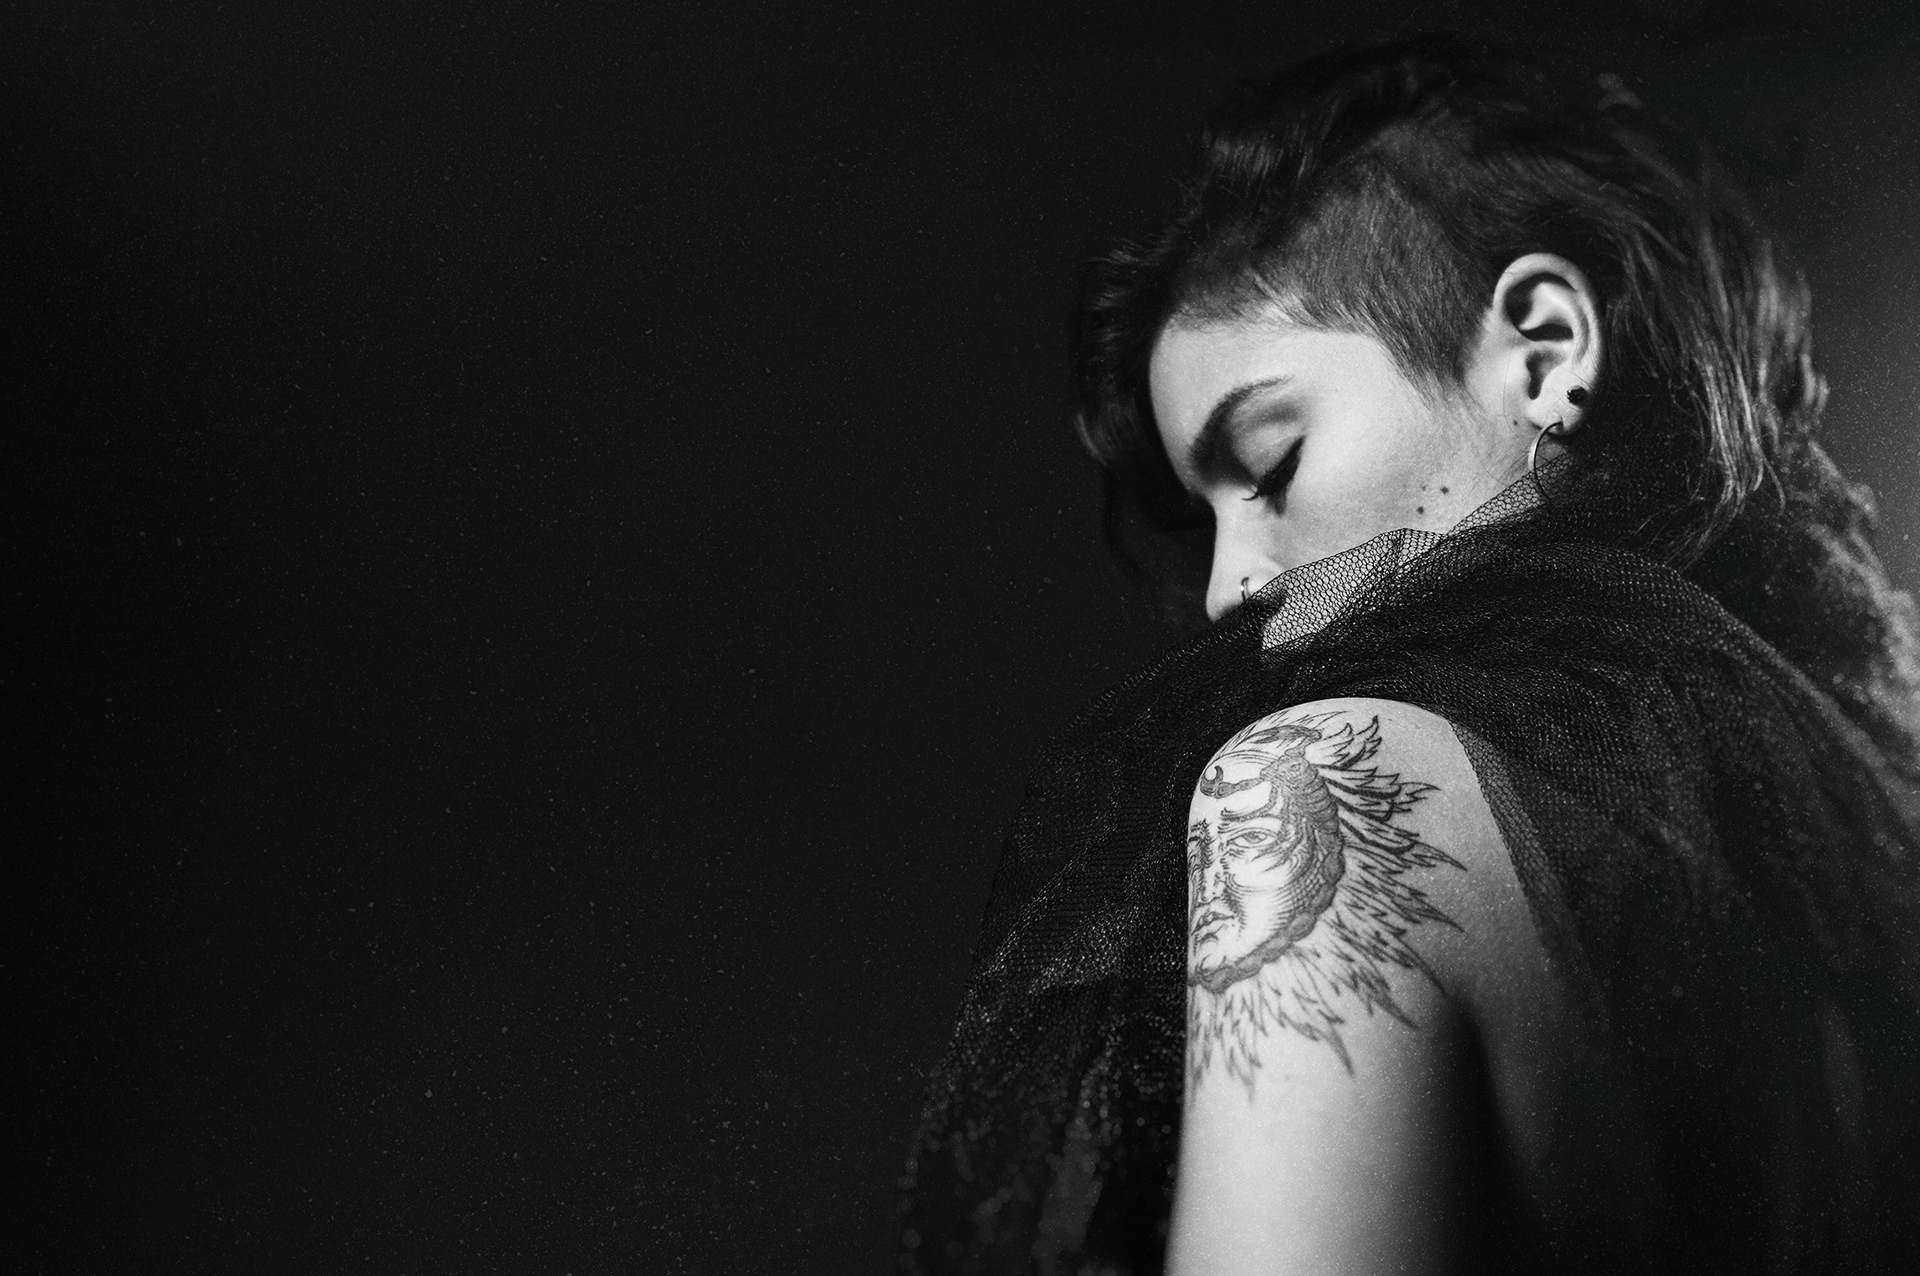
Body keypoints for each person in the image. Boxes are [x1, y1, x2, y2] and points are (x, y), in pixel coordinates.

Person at [895, 33, 1920, 1276]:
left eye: (1268, 462)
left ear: (1545, 346)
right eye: (1205, 517)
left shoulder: (1320, 776)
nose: (1226, 590)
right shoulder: (1864, 823)